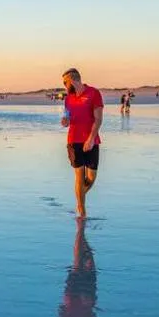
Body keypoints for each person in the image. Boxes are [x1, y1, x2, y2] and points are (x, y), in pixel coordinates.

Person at [60, 68, 103, 218]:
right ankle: (81, 211)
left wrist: (91, 138)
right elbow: (66, 118)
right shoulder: (68, 98)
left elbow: (98, 119)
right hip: (73, 140)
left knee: (91, 178)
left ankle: (79, 196)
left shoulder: (94, 93)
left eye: (65, 82)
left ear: (72, 80)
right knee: (79, 176)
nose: (64, 86)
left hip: (91, 140)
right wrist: (65, 121)